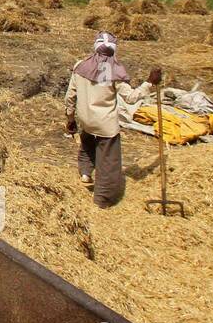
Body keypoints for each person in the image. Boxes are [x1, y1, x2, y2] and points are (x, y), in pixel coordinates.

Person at [64, 31, 160, 208]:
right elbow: (131, 98)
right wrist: (149, 83)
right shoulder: (114, 72)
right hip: (105, 124)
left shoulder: (80, 67)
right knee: (109, 161)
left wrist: (70, 118)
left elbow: (70, 96)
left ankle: (85, 173)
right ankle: (102, 198)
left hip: (86, 119)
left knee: (87, 144)